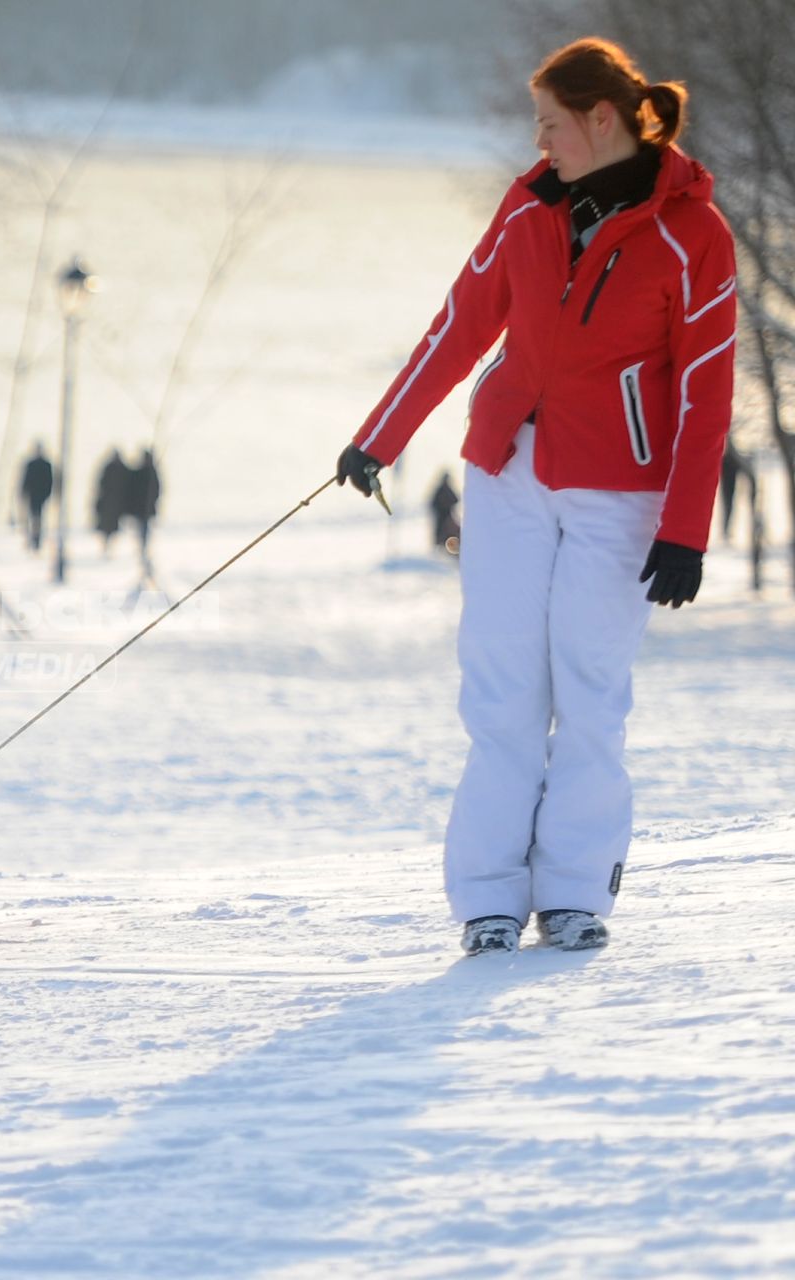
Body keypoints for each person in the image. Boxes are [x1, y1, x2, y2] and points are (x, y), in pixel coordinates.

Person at [335, 38, 735, 956]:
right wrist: (379, 436)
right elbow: (462, 321)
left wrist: (685, 532)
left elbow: (707, 391)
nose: (540, 142)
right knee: (503, 688)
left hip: (619, 495)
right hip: (507, 474)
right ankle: (486, 897)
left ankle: (575, 890)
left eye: (551, 123)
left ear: (602, 120)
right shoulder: (529, 207)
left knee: (590, 691)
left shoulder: (693, 235)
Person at [124, 447, 162, 582]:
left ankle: (144, 552)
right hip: (140, 511)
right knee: (141, 533)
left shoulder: (151, 473)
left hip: (144, 511)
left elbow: (157, 490)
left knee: (144, 533)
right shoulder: (143, 472)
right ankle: (143, 553)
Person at [93, 448, 130, 555]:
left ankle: (109, 545)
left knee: (112, 528)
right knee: (107, 527)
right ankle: (106, 544)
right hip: (109, 504)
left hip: (116, 505)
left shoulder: (121, 469)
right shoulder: (109, 468)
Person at [18, 443, 54, 553]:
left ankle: (36, 539)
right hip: (34, 494)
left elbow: (49, 481)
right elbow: (26, 479)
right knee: (33, 517)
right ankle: (32, 539)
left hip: (39, 495)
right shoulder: (35, 464)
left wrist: (47, 493)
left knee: (36, 517)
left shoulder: (44, 465)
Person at [428, 471, 461, 553]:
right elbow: (433, 503)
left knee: (450, 531)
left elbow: (456, 499)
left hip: (447, 515)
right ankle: (439, 546)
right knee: (439, 531)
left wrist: (448, 505)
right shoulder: (440, 490)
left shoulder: (448, 489)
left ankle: (449, 547)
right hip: (441, 515)